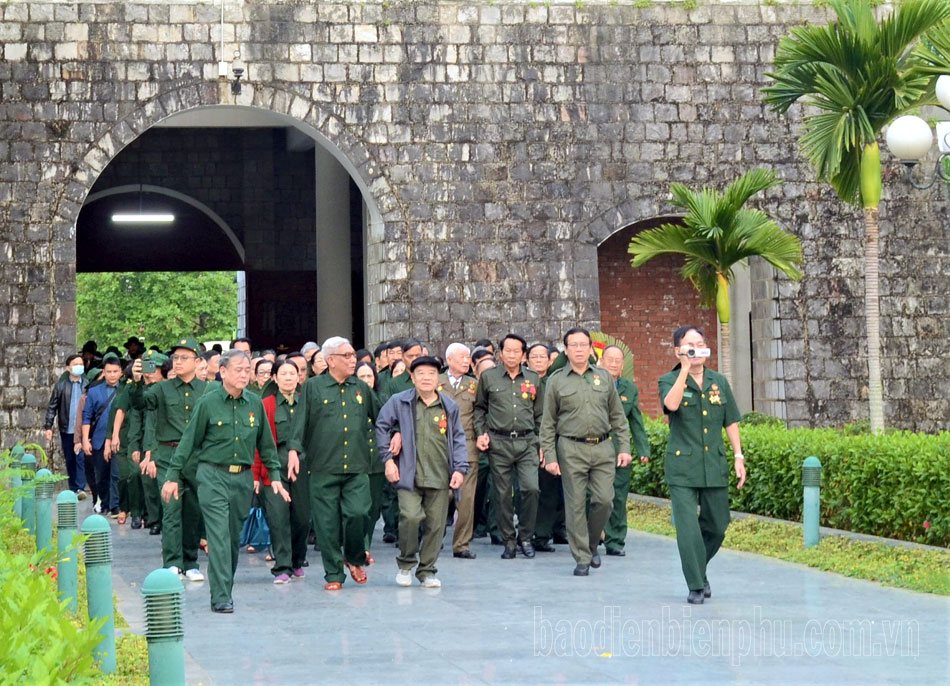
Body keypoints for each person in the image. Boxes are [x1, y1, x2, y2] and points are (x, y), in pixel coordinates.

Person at [163, 350, 289, 613]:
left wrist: (275, 476)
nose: (244, 374)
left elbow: (266, 445)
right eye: (238, 369)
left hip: (242, 479)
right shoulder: (208, 403)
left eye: (247, 370)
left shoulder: (254, 403)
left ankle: (224, 587)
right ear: (223, 372)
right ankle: (221, 596)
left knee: (231, 539)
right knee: (218, 535)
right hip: (212, 476)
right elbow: (188, 442)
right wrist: (173, 476)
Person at [659, 326, 745, 605]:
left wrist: (738, 456)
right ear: (678, 350)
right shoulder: (669, 379)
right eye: (688, 345)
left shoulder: (718, 380)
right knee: (688, 528)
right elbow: (671, 406)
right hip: (682, 466)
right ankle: (696, 584)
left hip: (714, 464)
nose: (695, 348)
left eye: (699, 343)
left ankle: (698, 567)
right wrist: (684, 370)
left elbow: (730, 419)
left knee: (718, 525)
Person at [287, 337, 381, 591]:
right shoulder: (313, 387)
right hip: (323, 466)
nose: (353, 360)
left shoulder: (360, 388)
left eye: (353, 355)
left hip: (357, 466)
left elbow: (381, 416)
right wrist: (294, 450)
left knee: (359, 512)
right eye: (347, 356)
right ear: (331, 361)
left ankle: (354, 556)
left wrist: (396, 432)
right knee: (327, 524)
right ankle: (333, 574)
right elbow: (301, 420)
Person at [540, 328, 631, 577]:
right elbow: (548, 423)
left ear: (591, 349)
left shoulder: (603, 377)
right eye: (574, 345)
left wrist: (624, 447)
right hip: (570, 448)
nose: (579, 350)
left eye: (583, 345)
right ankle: (581, 556)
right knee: (575, 503)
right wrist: (549, 456)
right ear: (566, 350)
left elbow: (618, 417)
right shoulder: (556, 380)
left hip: (603, 448)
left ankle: (590, 545)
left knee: (604, 500)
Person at [376, 356, 467, 588]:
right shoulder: (400, 401)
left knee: (436, 526)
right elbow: (382, 426)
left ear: (438, 378)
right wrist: (388, 460)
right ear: (413, 377)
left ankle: (427, 570)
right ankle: (406, 563)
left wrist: (460, 469)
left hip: (439, 476)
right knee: (410, 517)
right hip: (408, 474)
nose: (426, 378)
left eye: (431, 374)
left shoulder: (449, 406)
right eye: (421, 374)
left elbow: (458, 439)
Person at [133, 337, 207, 581]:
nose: (178, 362)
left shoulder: (207, 390)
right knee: (171, 508)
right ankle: (172, 562)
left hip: (196, 457)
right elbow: (140, 402)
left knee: (193, 511)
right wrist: (136, 382)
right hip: (168, 454)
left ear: (197, 362)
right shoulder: (162, 388)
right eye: (175, 357)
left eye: (184, 358)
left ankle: (190, 561)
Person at [473, 334, 543, 559]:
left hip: (527, 442)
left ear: (524, 355)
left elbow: (541, 414)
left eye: (517, 351)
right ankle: (509, 540)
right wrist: (480, 433)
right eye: (507, 351)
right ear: (500, 353)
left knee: (531, 488)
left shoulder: (533, 378)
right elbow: (479, 409)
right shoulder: (488, 377)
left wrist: (542, 443)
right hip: (499, 442)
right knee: (501, 494)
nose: (512, 355)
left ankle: (525, 536)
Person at [250, 359, 309, 584]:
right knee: (278, 516)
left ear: (299, 377)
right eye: (283, 374)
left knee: (302, 518)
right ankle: (282, 566)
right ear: (274, 378)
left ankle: (297, 560)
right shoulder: (266, 404)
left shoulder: (306, 402)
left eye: (292, 373)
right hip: (273, 468)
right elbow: (258, 442)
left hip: (304, 468)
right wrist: (256, 474)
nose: (288, 377)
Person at [599, 345, 652, 556]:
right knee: (593, 497)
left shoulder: (629, 388)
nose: (613, 363)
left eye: (617, 361)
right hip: (594, 449)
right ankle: (592, 536)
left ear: (622, 365)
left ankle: (615, 540)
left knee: (619, 497)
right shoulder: (591, 383)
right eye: (609, 359)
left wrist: (643, 448)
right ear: (601, 362)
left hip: (620, 451)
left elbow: (636, 420)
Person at [437, 343, 480, 559]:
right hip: (438, 448)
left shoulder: (474, 385)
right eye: (462, 357)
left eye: (468, 357)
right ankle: (433, 540)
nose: (466, 361)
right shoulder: (436, 382)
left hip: (466, 448)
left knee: (466, 499)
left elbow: (480, 413)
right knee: (438, 497)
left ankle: (462, 544)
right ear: (449, 360)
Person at [527, 342, 565, 553]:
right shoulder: (523, 381)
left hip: (551, 442)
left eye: (543, 356)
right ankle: (525, 531)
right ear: (527, 359)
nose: (539, 360)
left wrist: (547, 443)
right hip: (525, 442)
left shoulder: (556, 381)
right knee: (527, 490)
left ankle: (542, 535)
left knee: (550, 491)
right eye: (535, 356)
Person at [82, 354, 124, 517]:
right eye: (109, 371)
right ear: (104, 372)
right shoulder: (93, 391)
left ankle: (115, 505)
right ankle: (105, 503)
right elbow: (87, 417)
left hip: (120, 439)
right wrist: (85, 440)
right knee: (101, 475)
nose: (112, 375)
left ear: (121, 372)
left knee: (117, 474)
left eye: (115, 371)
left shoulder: (125, 390)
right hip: (99, 440)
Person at [44, 353, 89, 499]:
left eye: (81, 364)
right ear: (68, 368)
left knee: (81, 457)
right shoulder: (61, 386)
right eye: (76, 364)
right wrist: (48, 426)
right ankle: (73, 487)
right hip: (67, 429)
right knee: (70, 458)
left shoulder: (87, 384)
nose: (79, 367)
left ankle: (80, 488)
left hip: (83, 430)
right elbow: (52, 407)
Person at [355, 360, 385, 562]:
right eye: (362, 377)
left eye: (369, 376)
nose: (366, 381)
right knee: (358, 507)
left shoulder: (382, 400)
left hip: (377, 461)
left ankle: (366, 544)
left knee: (373, 508)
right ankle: (358, 546)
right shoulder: (350, 399)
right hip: (356, 461)